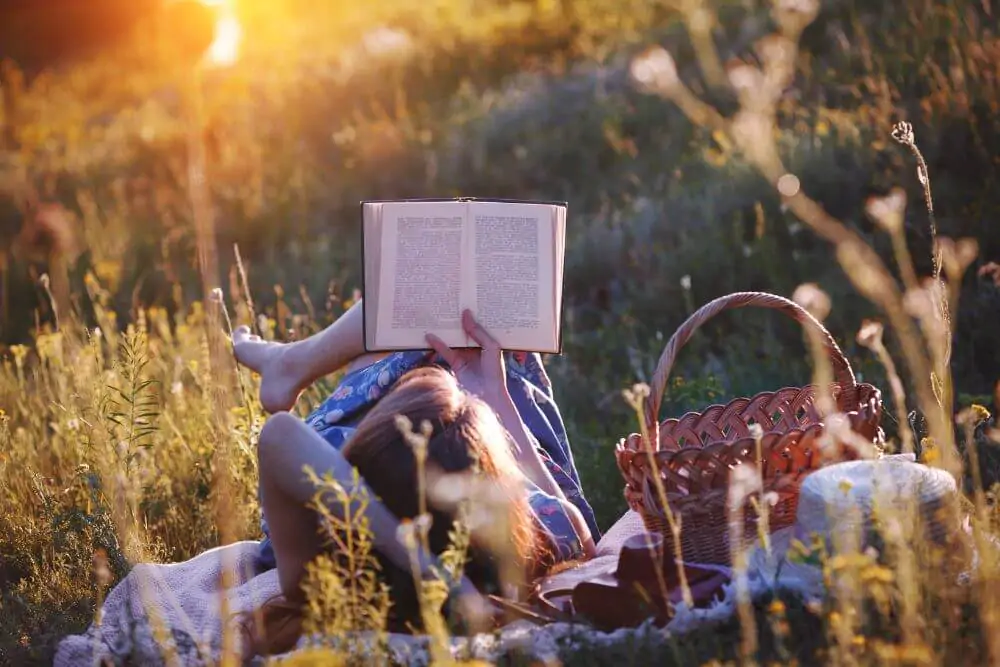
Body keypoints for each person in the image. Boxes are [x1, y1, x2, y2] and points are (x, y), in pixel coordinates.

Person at [235, 308, 597, 654]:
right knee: (443, 321)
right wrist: (495, 398)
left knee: (412, 325)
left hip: (377, 452)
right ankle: (291, 363)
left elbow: (278, 435)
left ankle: (290, 364)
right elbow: (576, 521)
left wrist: (428, 568)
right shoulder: (542, 529)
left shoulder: (328, 547)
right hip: (457, 442)